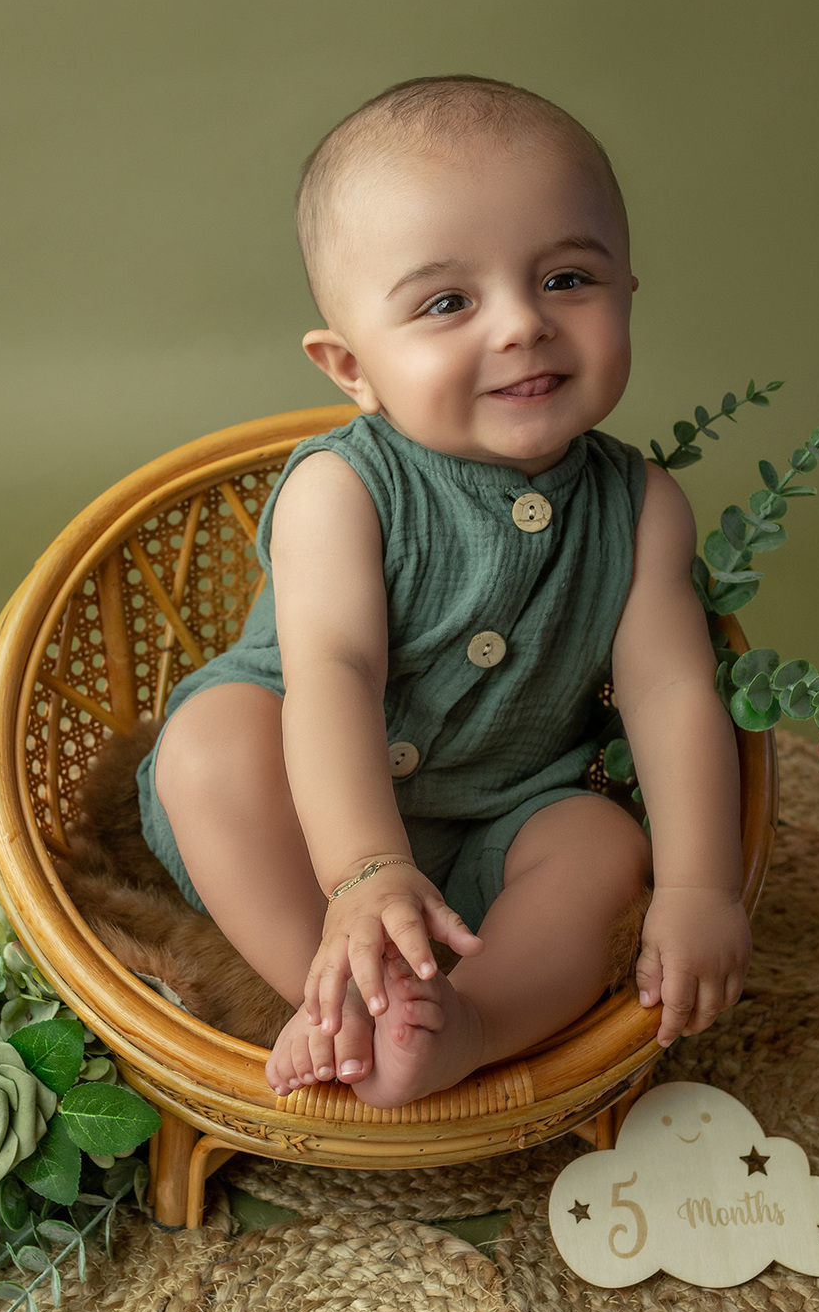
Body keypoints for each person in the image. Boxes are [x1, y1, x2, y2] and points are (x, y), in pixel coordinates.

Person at [134, 75, 751, 1110]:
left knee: (602, 843)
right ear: (352, 367)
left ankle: (475, 1023)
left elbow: (672, 692)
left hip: (503, 821)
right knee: (209, 745)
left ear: (627, 292)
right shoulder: (342, 490)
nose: (521, 327)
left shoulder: (642, 506)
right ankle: (335, 999)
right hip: (301, 825)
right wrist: (365, 870)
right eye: (448, 302)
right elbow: (333, 672)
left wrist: (699, 888)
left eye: (566, 280)